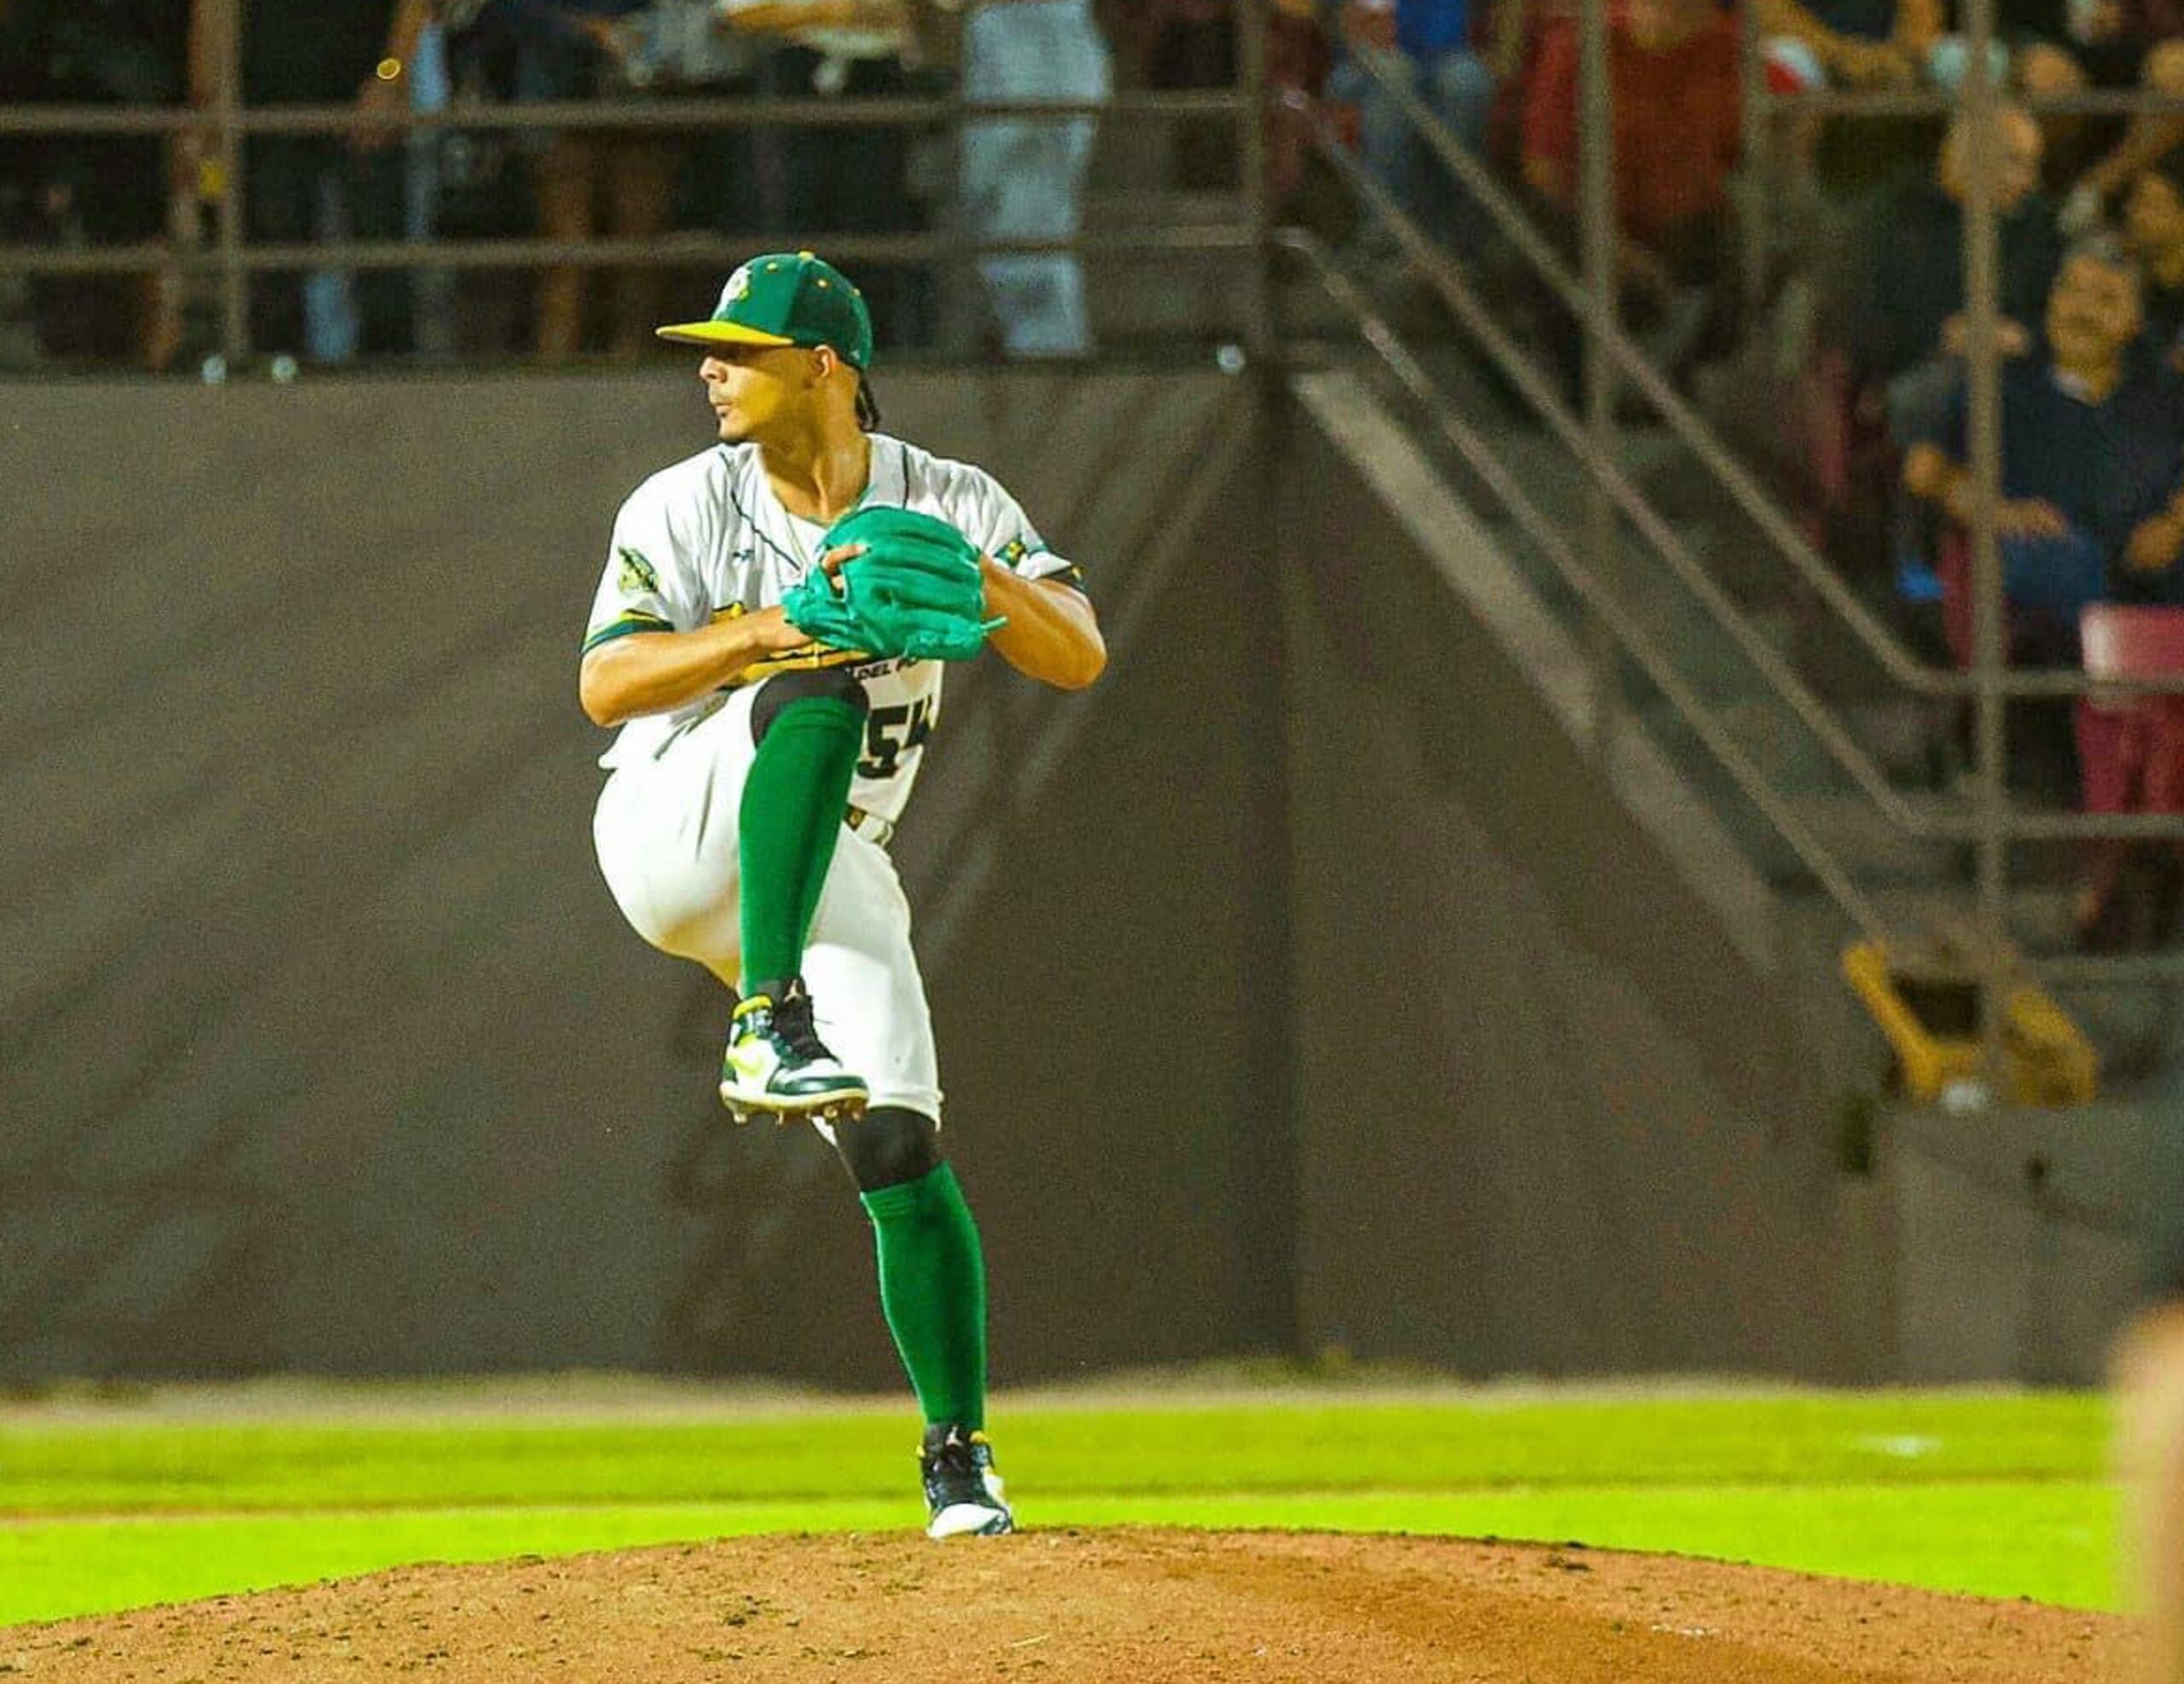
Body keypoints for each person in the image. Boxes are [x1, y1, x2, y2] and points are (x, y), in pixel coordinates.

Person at [578, 252, 1106, 1536]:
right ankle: (767, 1017)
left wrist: (975, 576)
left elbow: (1079, 653)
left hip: (829, 861)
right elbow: (606, 685)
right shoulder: (683, 502)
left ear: (823, 365)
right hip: (678, 820)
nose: (709, 368)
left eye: (738, 349)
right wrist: (767, 625)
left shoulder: (949, 496)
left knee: (902, 1148)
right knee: (810, 685)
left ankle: (958, 1455)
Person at [955, 0, 1112, 357]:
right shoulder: (1007, 24)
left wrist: (979, 175)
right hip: (1037, 150)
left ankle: (1049, 366)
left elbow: (1006, 122)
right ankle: (1051, 361)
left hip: (1024, 159)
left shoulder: (1006, 28)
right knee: (1035, 254)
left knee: (1028, 257)